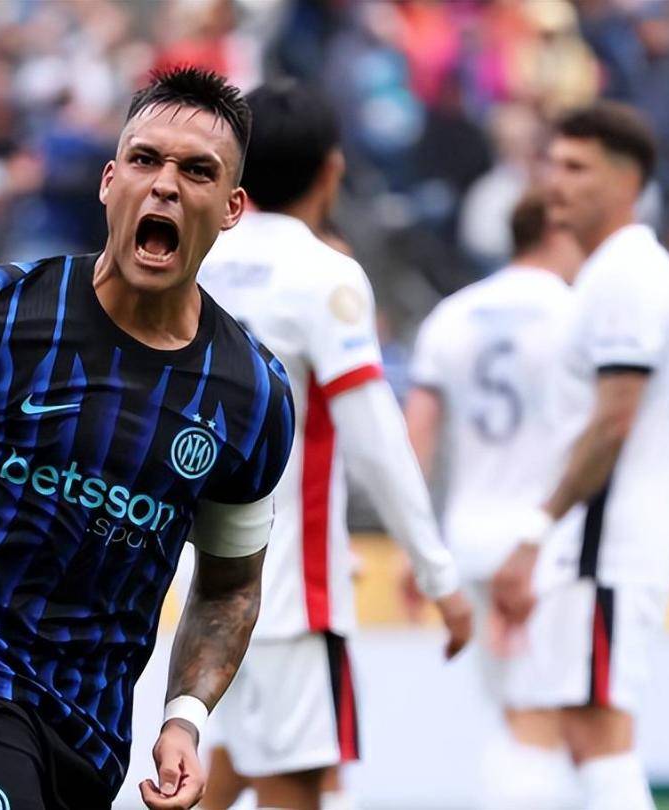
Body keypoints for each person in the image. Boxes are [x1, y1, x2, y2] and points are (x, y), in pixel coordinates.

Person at [0, 67, 296, 810]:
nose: (165, 185)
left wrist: (184, 719)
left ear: (232, 207)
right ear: (109, 181)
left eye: (197, 171)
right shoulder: (1, 314)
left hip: (90, 727)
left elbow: (230, 588)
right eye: (145, 160)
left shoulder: (251, 394)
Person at [197, 79, 472, 810]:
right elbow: (376, 440)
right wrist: (439, 574)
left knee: (219, 770)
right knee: (297, 786)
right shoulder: (324, 275)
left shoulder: (201, 261)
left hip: (204, 587)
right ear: (332, 169)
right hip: (293, 591)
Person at [491, 102, 669, 810]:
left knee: (598, 733)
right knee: (582, 731)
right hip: (598, 548)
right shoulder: (614, 270)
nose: (555, 183)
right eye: (552, 164)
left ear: (627, 181)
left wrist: (536, 531)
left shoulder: (627, 273)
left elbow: (613, 422)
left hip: (606, 548)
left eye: (576, 168)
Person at [404, 191, 585, 809]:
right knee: (542, 723)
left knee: (514, 714)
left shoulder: (452, 315)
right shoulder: (577, 314)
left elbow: (417, 436)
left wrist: (416, 548)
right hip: (545, 546)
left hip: (470, 539)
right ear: (560, 230)